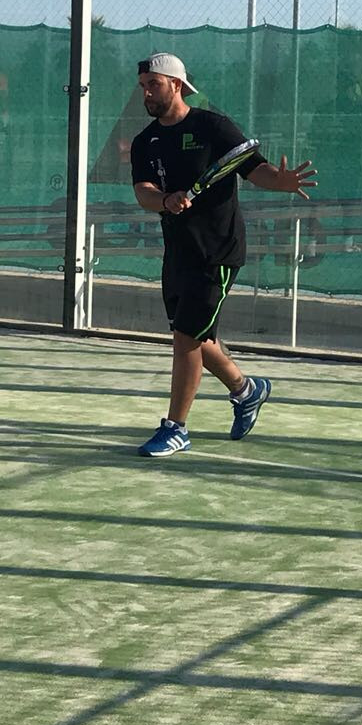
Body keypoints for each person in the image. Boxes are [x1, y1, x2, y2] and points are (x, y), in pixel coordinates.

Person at [130, 52, 317, 457]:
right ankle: (246, 390)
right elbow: (143, 191)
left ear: (176, 85)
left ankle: (176, 428)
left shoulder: (213, 126)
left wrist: (281, 181)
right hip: (177, 252)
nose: (146, 93)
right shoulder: (146, 141)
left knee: (186, 338)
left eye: (153, 85)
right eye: (143, 86)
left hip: (217, 251)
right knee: (196, 338)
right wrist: (165, 200)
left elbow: (254, 168)